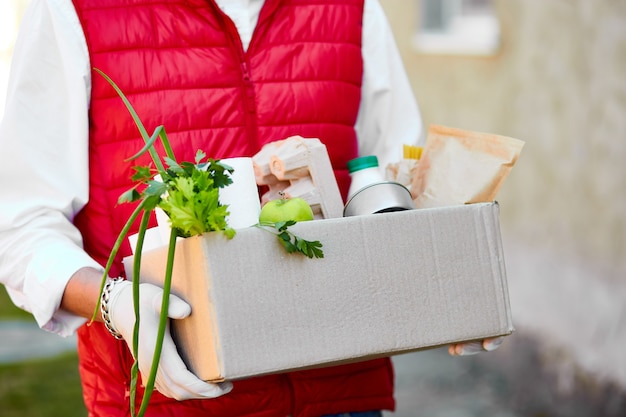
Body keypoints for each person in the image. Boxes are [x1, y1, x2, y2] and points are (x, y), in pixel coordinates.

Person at [0, 0, 501, 416]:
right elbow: (22, 226)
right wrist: (115, 304)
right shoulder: (72, 9)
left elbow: (397, 177)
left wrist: (449, 283)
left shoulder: (353, 7)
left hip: (340, 395)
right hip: (170, 400)